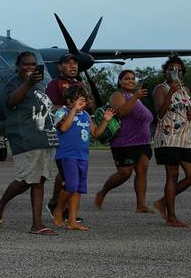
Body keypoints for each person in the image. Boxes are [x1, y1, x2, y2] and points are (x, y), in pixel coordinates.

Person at [0, 51, 58, 235]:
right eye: (26, 64)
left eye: (33, 64)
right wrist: (28, 83)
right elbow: (11, 102)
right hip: (25, 138)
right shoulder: (14, 83)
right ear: (18, 67)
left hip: (42, 137)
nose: (30, 67)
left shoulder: (40, 85)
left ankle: (37, 224)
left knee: (39, 180)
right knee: (25, 180)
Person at [52, 86, 114, 231]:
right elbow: (63, 128)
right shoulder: (62, 111)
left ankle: (73, 221)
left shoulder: (86, 115)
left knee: (78, 189)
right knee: (71, 185)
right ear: (68, 101)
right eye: (78, 99)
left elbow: (95, 134)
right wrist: (73, 109)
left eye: (83, 100)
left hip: (82, 156)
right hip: (67, 155)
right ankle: (58, 209)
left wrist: (105, 121)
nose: (82, 102)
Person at [94, 70, 154, 213]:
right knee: (124, 173)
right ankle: (102, 192)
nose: (131, 81)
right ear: (120, 81)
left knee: (142, 172)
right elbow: (121, 112)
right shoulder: (118, 95)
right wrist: (135, 97)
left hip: (143, 142)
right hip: (125, 142)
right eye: (126, 78)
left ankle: (141, 205)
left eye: (133, 78)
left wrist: (136, 97)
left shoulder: (135, 96)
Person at [151, 56, 191, 227]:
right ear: (165, 72)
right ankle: (171, 217)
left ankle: (162, 202)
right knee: (173, 175)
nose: (175, 73)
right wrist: (170, 92)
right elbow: (160, 113)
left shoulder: (186, 91)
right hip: (168, 137)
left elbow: (188, 112)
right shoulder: (161, 88)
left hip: (185, 139)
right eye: (171, 70)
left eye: (179, 70)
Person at [45, 53, 85, 220]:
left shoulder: (80, 83)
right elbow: (50, 105)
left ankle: (57, 202)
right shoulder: (55, 83)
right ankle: (61, 208)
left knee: (68, 171)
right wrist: (69, 109)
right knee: (66, 169)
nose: (73, 66)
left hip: (78, 132)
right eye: (68, 63)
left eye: (75, 63)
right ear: (60, 66)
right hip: (63, 130)